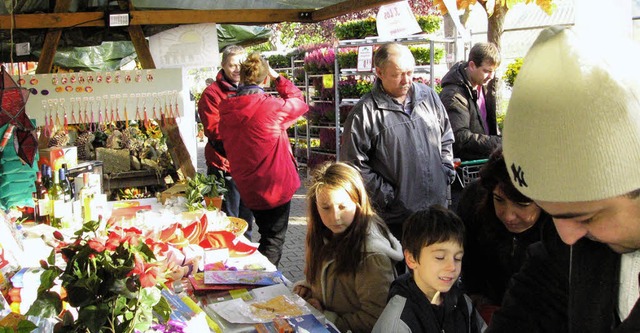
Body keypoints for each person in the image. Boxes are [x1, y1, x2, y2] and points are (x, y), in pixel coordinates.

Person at [486, 26, 640, 332]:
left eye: (587, 217)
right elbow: (527, 310)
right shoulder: (566, 245)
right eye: (552, 213)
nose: (567, 235)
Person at [340, 42, 456, 244]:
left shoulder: (428, 96)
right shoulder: (365, 113)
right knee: (402, 271)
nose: (406, 80)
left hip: (436, 211)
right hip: (398, 220)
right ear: (379, 72)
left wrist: (445, 169)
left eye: (410, 72)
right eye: (397, 74)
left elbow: (446, 135)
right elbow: (353, 165)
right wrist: (388, 195)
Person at [218, 52, 308, 267]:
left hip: (248, 185)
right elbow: (299, 101)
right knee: (273, 239)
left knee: (260, 232)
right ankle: (264, 282)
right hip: (275, 185)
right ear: (264, 78)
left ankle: (255, 274)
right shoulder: (273, 107)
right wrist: (278, 78)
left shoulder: (227, 108)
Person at [293, 162, 403, 333]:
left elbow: (375, 317)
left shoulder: (371, 255)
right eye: (326, 208)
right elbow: (330, 283)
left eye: (343, 206)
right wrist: (310, 290)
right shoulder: (324, 235)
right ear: (315, 207)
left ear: (358, 201)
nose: (335, 217)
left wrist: (326, 317)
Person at [457, 147, 548, 322]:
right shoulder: (473, 202)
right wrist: (475, 291)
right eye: (499, 200)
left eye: (521, 204)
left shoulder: (562, 228)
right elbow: (468, 255)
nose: (508, 215)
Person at [373, 206, 487, 333]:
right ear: (411, 259)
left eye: (458, 258)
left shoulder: (462, 302)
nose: (452, 267)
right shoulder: (399, 321)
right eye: (440, 257)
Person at [197, 45, 254, 235]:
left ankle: (245, 256)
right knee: (228, 220)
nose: (237, 69)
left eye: (241, 64)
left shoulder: (252, 89)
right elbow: (213, 130)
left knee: (246, 222)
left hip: (248, 166)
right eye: (232, 65)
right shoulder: (211, 94)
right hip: (224, 164)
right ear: (223, 65)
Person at [439, 42, 501, 161]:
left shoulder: (482, 84)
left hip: (482, 160)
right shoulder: (453, 95)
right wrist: (499, 142)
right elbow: (460, 138)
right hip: (466, 168)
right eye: (487, 71)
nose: (491, 76)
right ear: (472, 65)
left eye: (494, 71)